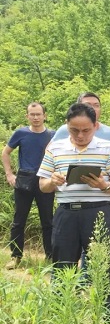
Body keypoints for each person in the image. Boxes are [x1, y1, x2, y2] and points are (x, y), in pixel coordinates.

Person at [37, 102, 110, 324]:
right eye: (74, 130)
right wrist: (52, 181)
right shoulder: (55, 148)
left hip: (98, 213)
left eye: (86, 130)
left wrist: (103, 185)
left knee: (104, 270)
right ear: (66, 126)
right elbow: (42, 185)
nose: (80, 135)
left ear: (95, 126)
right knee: (63, 270)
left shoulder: (108, 147)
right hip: (65, 214)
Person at [2, 102, 55, 269]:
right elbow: (5, 152)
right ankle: (16, 256)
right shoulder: (21, 133)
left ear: (45, 116)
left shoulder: (53, 135)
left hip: (45, 180)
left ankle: (51, 256)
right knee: (19, 220)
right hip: (24, 180)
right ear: (27, 116)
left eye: (38, 114)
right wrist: (9, 174)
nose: (36, 117)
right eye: (32, 114)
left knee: (48, 221)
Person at [52, 92, 110, 179]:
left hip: (102, 186)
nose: (93, 108)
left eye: (96, 105)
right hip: (66, 184)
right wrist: (54, 177)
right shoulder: (65, 130)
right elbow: (49, 152)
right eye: (87, 105)